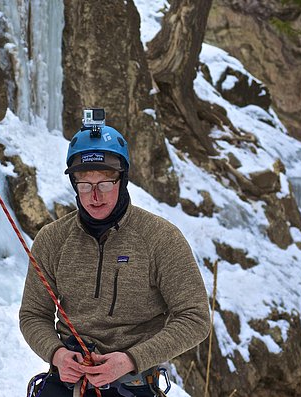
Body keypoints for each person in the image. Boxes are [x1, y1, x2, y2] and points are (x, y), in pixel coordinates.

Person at [20, 121, 210, 397]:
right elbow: (33, 314)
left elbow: (195, 318)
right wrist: (57, 354)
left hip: (133, 383)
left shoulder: (160, 238)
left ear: (123, 180)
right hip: (67, 382)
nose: (95, 196)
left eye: (105, 184)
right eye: (84, 185)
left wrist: (131, 359)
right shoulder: (53, 239)